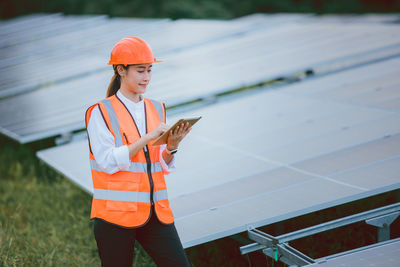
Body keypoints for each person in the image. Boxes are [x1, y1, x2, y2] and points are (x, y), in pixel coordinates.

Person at [85, 36, 192, 267]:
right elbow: (107, 162)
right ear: (121, 70)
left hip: (156, 213)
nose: (146, 77)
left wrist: (172, 146)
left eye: (150, 70)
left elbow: (158, 164)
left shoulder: (156, 108)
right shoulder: (100, 112)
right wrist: (148, 138)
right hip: (115, 216)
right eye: (140, 71)